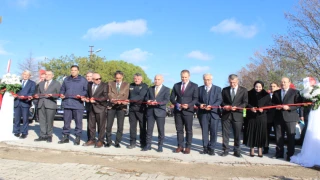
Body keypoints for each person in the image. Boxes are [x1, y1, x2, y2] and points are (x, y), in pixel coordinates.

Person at [272, 77, 302, 161]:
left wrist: (289, 107)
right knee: (278, 137)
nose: (283, 84)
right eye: (281, 82)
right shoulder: (276, 92)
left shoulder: (295, 92)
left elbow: (299, 104)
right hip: (278, 117)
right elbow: (272, 103)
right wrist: (275, 106)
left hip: (290, 117)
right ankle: (279, 153)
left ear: (289, 83)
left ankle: (290, 155)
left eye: (285, 82)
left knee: (290, 137)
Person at [170, 70, 198, 154]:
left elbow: (195, 98)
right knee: (179, 130)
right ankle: (180, 146)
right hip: (178, 111)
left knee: (188, 130)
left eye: (185, 77)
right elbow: (171, 98)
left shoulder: (194, 86)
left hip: (188, 111)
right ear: (180, 76)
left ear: (189, 76)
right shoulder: (176, 85)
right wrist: (177, 104)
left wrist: (189, 105)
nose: (184, 79)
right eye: (182, 77)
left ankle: (188, 147)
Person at [58, 65, 88, 145]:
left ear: (78, 71)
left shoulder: (83, 80)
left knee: (78, 122)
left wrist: (81, 95)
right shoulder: (66, 79)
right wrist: (61, 94)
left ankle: (77, 137)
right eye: (72, 70)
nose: (73, 71)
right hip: (67, 103)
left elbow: (86, 90)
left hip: (78, 104)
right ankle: (65, 137)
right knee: (66, 122)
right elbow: (62, 89)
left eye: (75, 70)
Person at [221, 74, 248, 157]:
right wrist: (225, 106)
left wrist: (238, 107)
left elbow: (245, 102)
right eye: (231, 82)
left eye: (234, 82)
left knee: (237, 134)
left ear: (237, 81)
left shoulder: (243, 90)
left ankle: (237, 150)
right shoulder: (225, 90)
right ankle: (225, 150)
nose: (232, 84)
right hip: (226, 115)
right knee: (225, 134)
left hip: (237, 115)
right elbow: (222, 101)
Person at [196, 73, 222, 155]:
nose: (207, 81)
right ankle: (205, 147)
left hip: (214, 113)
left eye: (208, 79)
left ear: (211, 80)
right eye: (205, 79)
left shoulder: (217, 89)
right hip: (203, 114)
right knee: (205, 131)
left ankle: (212, 148)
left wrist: (212, 106)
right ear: (203, 80)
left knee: (213, 132)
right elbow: (195, 100)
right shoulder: (199, 89)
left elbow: (219, 100)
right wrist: (200, 104)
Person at [143, 75, 170, 152]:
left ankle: (160, 146)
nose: (156, 81)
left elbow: (166, 100)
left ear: (162, 80)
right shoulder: (150, 89)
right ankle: (148, 145)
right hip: (150, 111)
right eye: (155, 79)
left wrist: (158, 103)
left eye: (158, 79)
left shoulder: (166, 89)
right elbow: (146, 98)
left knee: (161, 130)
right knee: (149, 129)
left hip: (160, 111)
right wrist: (148, 101)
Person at [245, 81, 271, 157]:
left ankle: (260, 149)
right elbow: (246, 103)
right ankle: (252, 149)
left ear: (262, 87)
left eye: (259, 87)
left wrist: (263, 109)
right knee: (252, 132)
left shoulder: (266, 95)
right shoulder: (249, 93)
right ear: (254, 86)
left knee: (260, 133)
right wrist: (251, 108)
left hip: (262, 117)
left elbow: (269, 105)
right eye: (256, 86)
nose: (258, 88)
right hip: (251, 117)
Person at [34, 70, 61, 143]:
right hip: (41, 104)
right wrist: (36, 96)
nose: (47, 76)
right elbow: (38, 93)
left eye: (49, 74)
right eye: (46, 74)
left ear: (53, 75)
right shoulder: (41, 83)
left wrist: (52, 96)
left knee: (49, 121)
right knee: (42, 121)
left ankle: (49, 135)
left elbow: (59, 94)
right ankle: (42, 135)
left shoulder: (56, 83)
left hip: (50, 104)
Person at [83, 73, 108, 148]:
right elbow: (87, 94)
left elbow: (105, 96)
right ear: (93, 79)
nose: (99, 80)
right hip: (91, 108)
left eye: (100, 78)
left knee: (101, 126)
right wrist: (86, 98)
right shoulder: (89, 85)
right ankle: (92, 139)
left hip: (100, 108)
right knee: (91, 125)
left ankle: (100, 141)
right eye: (97, 79)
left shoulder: (104, 85)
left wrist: (96, 101)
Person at [105, 70, 129, 148]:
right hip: (112, 106)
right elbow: (109, 93)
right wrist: (112, 100)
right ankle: (108, 141)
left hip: (121, 107)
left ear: (122, 77)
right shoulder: (110, 83)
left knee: (120, 126)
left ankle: (117, 142)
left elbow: (126, 94)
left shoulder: (126, 84)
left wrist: (121, 101)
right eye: (116, 78)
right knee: (108, 125)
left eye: (119, 78)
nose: (118, 80)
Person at [13, 70, 36, 139]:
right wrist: (13, 94)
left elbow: (32, 92)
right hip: (17, 102)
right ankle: (16, 132)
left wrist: (25, 96)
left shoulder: (32, 83)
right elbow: (13, 91)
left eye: (27, 75)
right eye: (24, 74)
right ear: (22, 75)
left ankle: (24, 132)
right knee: (16, 119)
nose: (25, 76)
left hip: (25, 103)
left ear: (29, 76)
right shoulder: (17, 82)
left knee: (25, 119)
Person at [128, 73, 148, 149]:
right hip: (132, 109)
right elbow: (127, 95)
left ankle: (143, 142)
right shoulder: (131, 85)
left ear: (141, 79)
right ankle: (132, 142)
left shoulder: (144, 86)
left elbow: (141, 96)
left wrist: (130, 100)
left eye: (138, 79)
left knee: (142, 127)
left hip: (141, 109)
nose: (136, 80)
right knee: (132, 127)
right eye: (135, 79)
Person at [263, 82, 279, 154]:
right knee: (266, 134)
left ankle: (278, 151)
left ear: (277, 87)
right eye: (271, 86)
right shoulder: (266, 95)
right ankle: (265, 149)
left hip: (277, 117)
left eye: (274, 86)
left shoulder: (279, 95)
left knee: (278, 135)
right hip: (268, 117)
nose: (272, 87)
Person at [85, 71, 93, 142]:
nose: (89, 78)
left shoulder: (97, 84)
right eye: (87, 76)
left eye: (90, 76)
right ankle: (89, 138)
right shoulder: (84, 84)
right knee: (89, 123)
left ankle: (100, 139)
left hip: (98, 106)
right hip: (88, 106)